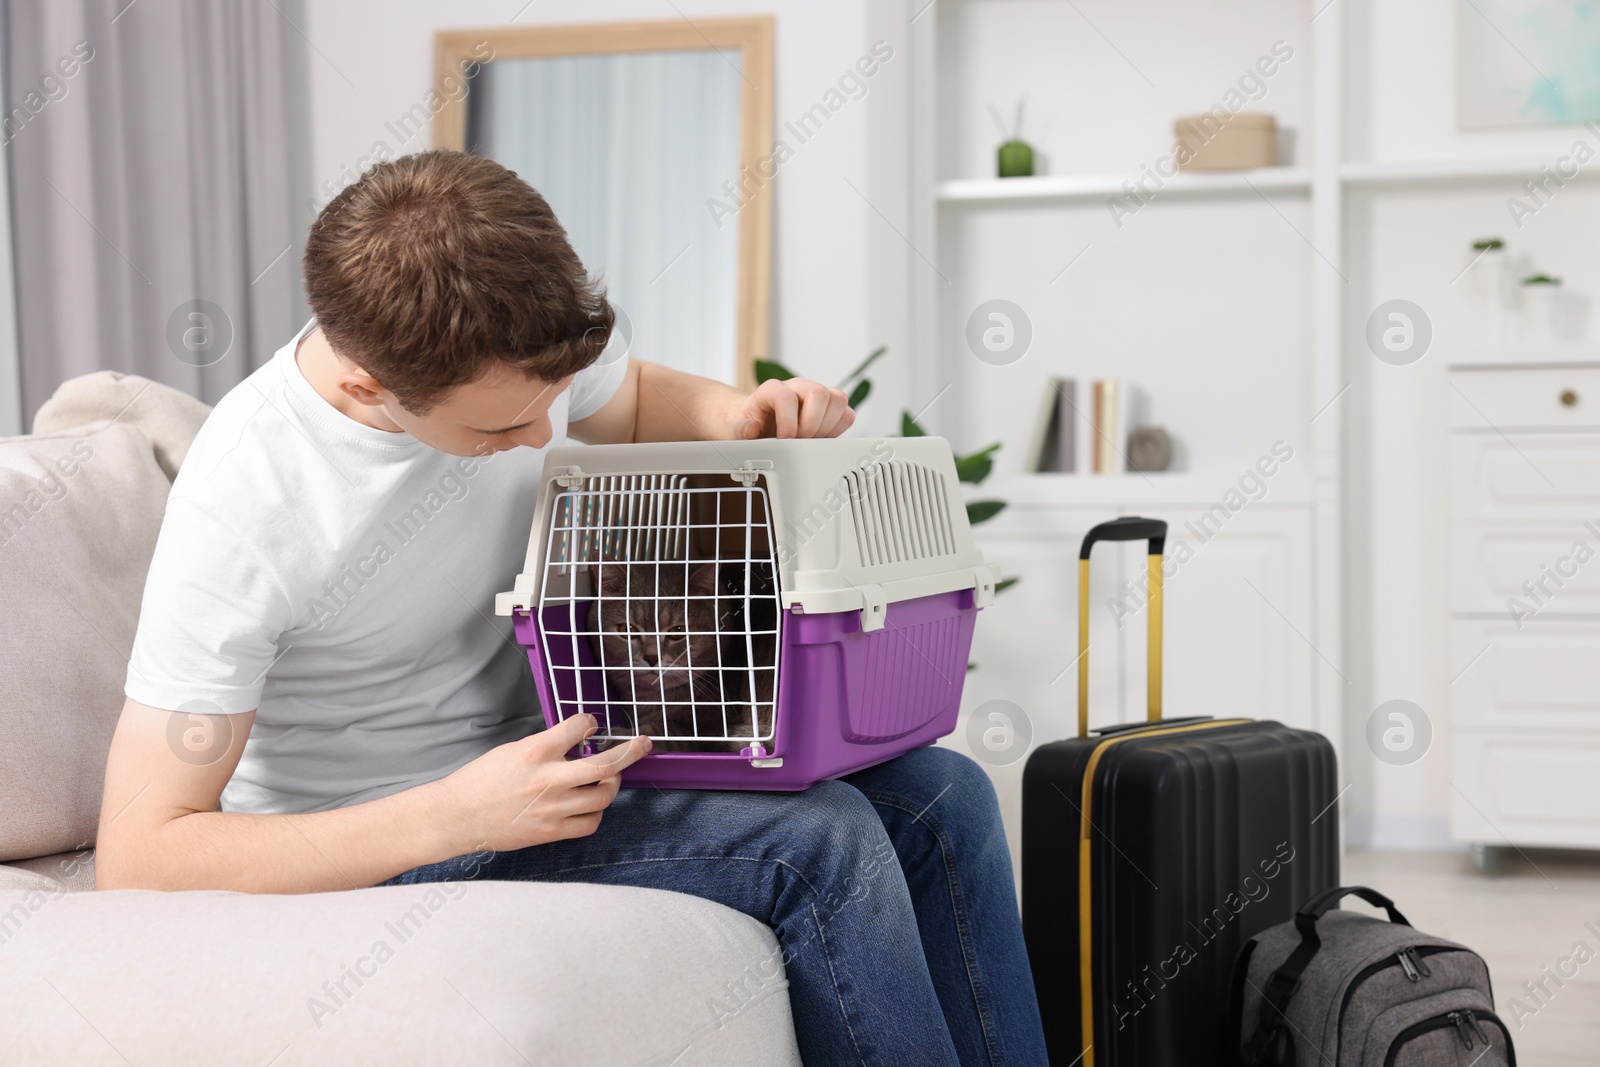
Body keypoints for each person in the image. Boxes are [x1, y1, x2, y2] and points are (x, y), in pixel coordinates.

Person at [96, 150, 1047, 1066]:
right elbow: (143, 853)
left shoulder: (504, 341)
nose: (546, 435)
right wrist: (455, 814)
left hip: (555, 765)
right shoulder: (246, 501)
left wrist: (741, 416)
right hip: (395, 827)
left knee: (944, 795)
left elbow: (628, 400)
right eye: (503, 426)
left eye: (553, 399)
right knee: (819, 840)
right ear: (365, 383)